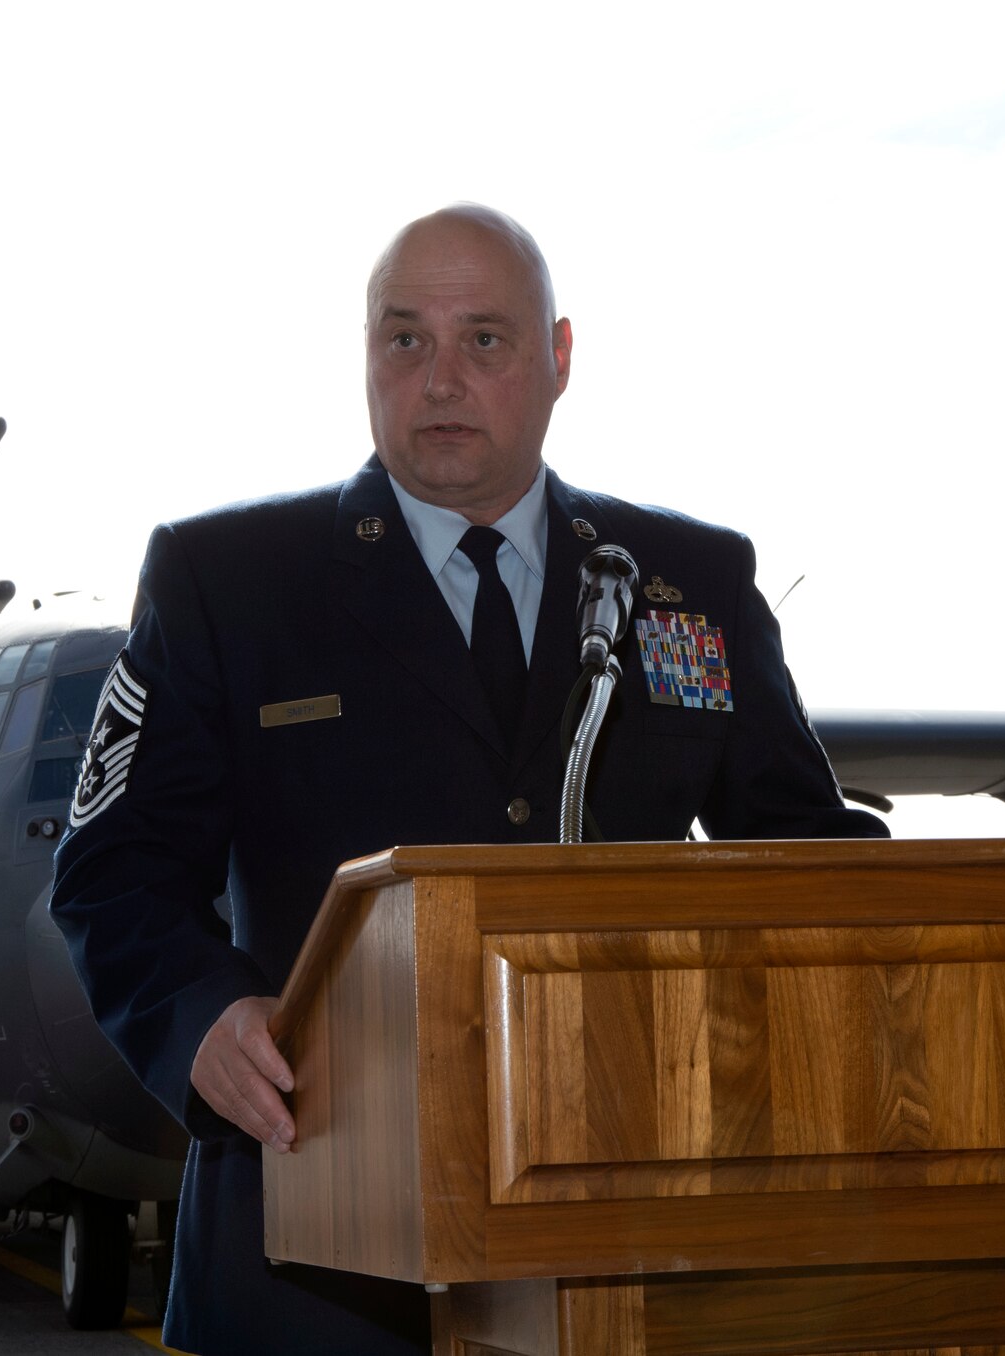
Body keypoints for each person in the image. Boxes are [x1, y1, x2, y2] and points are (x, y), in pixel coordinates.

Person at [50, 204, 887, 1354]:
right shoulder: (228, 583)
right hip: (311, 1249)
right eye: (405, 341)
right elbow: (115, 869)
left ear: (556, 360)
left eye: (483, 340)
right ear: (364, 359)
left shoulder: (685, 580)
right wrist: (196, 1016)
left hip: (629, 1241)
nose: (439, 379)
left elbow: (796, 849)